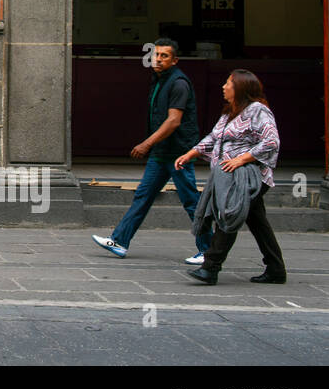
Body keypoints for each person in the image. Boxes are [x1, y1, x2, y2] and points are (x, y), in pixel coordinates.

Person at [92, 38, 211, 262]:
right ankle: (119, 241)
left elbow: (174, 121)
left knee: (191, 201)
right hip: (162, 152)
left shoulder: (178, 83)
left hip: (177, 153)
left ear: (174, 60)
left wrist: (146, 143)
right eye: (156, 55)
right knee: (143, 196)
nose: (158, 59)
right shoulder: (159, 80)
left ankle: (209, 251)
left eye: (164, 56)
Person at [178, 69, 286, 285]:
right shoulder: (230, 112)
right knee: (257, 222)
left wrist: (242, 159)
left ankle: (210, 267)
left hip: (249, 177)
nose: (224, 87)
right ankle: (276, 269)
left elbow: (271, 141)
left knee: (229, 215)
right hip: (228, 177)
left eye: (228, 83)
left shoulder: (258, 111)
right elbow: (214, 138)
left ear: (241, 88)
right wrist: (192, 153)